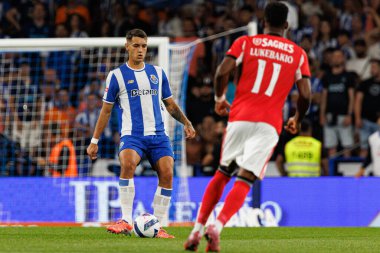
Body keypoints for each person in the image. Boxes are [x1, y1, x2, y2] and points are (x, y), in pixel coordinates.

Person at [184, 2, 311, 252]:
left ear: (263, 22)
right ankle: (217, 227)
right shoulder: (298, 54)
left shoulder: (246, 43)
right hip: (268, 125)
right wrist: (297, 118)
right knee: (245, 178)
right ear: (286, 25)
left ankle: (196, 231)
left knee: (222, 173)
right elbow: (305, 94)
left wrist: (220, 100)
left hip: (240, 117)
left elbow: (222, 71)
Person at [87, 29, 196, 238]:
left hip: (158, 135)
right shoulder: (117, 76)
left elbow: (170, 105)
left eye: (144, 46)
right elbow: (106, 110)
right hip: (132, 135)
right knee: (127, 164)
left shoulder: (157, 73)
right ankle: (126, 220)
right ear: (127, 46)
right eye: (136, 45)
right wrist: (94, 141)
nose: (140, 50)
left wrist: (186, 122)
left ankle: (159, 226)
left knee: (168, 172)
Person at [319, 49, 355, 158]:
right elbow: (324, 97)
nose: (337, 58)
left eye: (339, 56)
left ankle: (347, 172)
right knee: (331, 146)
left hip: (344, 116)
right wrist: (322, 114)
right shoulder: (327, 76)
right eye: (334, 56)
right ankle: (332, 172)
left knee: (347, 145)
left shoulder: (348, 76)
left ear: (343, 59)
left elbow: (352, 97)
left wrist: (350, 115)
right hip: (329, 115)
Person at [354, 57, 380, 158]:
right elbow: (358, 101)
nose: (371, 69)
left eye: (374, 67)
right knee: (364, 148)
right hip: (365, 121)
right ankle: (362, 172)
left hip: (379, 122)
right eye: (371, 67)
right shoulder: (365, 83)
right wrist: (357, 118)